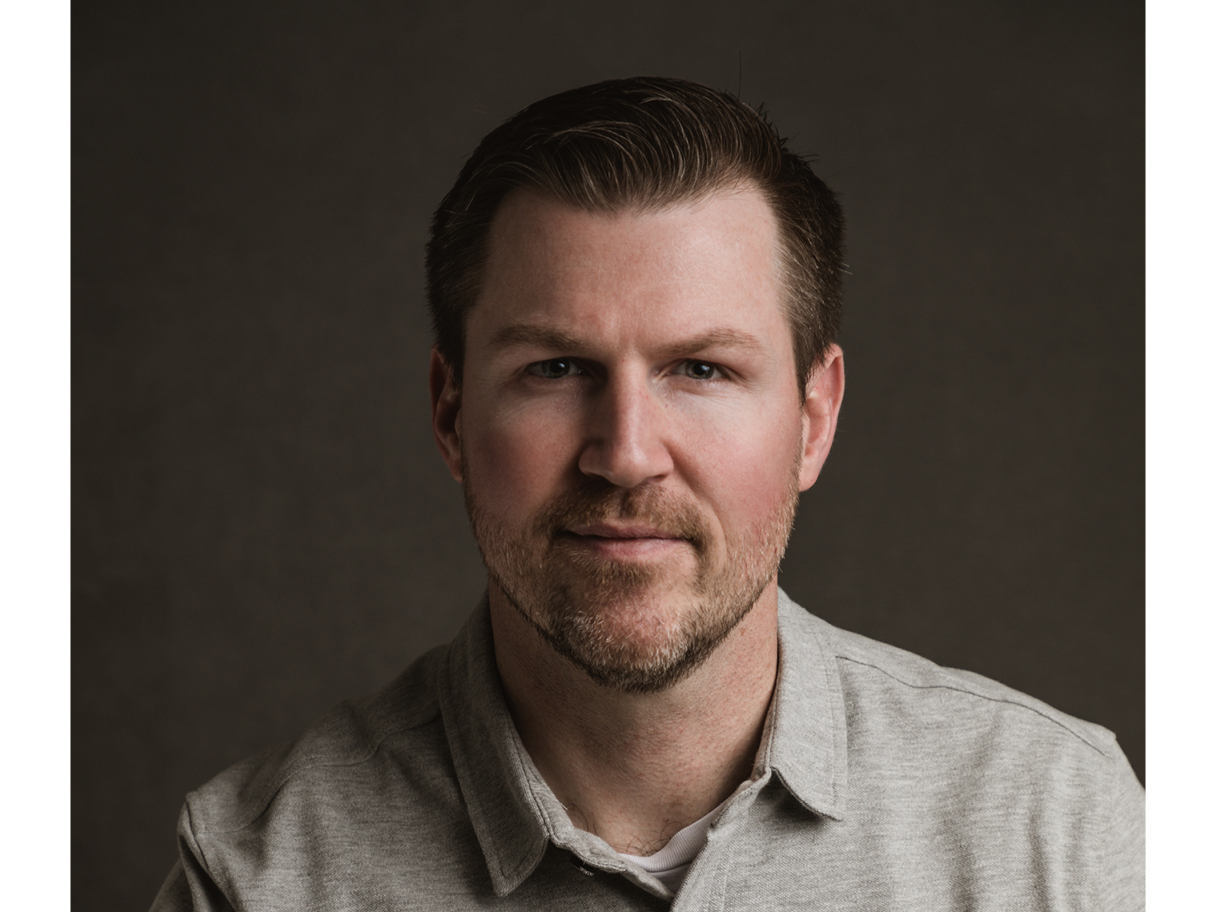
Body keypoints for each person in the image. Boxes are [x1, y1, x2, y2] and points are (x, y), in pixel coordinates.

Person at [150, 77, 1144, 911]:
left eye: (701, 370)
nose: (625, 455)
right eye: (554, 369)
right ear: (452, 415)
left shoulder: (1055, 829)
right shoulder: (259, 875)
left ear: (813, 417)